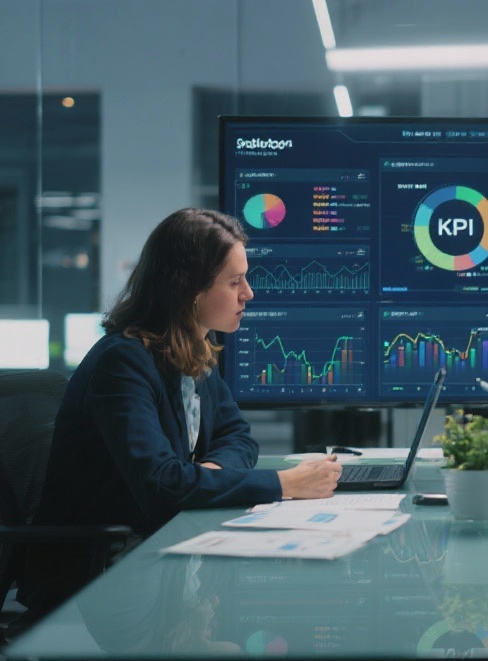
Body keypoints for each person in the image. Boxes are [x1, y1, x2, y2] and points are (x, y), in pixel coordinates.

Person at [29, 208, 339, 612]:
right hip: (107, 572)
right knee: (271, 611)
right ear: (188, 289)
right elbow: (163, 487)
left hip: (161, 543)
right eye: (234, 281)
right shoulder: (123, 363)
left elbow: (237, 436)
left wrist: (206, 474)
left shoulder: (190, 351)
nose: (249, 293)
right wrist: (285, 484)